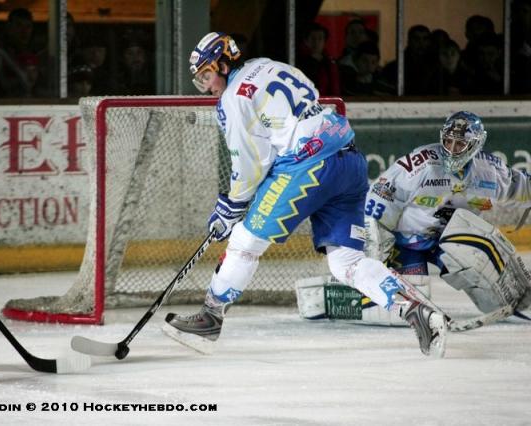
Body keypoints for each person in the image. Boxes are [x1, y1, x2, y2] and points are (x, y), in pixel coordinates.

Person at [162, 32, 448, 358]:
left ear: (224, 64)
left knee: (244, 240)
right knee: (346, 262)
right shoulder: (269, 65)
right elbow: (309, 97)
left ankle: (210, 319)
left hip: (309, 166)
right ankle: (418, 312)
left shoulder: (232, 100)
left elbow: (250, 162)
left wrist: (231, 205)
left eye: (207, 76)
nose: (208, 86)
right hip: (349, 159)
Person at [364, 111, 531, 319]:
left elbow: (524, 186)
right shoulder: (420, 165)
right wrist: (374, 255)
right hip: (405, 242)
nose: (452, 150)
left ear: (477, 144)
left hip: (451, 241)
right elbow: (378, 197)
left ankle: (509, 305)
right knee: (413, 301)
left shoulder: (489, 170)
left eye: (460, 144)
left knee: (489, 275)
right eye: (448, 141)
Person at [296, 23, 340, 96]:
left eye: (320, 38)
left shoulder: (330, 62)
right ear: (306, 41)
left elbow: (335, 86)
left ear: (324, 42)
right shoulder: (299, 62)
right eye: (313, 38)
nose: (316, 42)